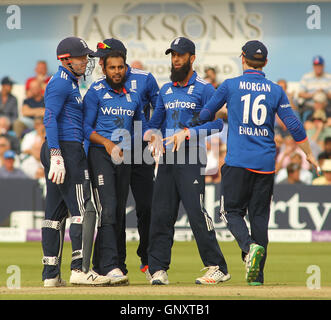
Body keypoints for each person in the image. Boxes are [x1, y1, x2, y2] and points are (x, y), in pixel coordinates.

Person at [198, 40, 319, 286]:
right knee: (260, 219)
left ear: (242, 58)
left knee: (229, 212)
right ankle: (257, 278)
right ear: (265, 62)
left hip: (238, 162)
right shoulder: (275, 90)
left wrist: (224, 113)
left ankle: (248, 248)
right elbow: (294, 126)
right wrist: (308, 153)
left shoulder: (230, 85)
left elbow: (204, 113)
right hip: (265, 164)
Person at [145, 37, 229, 285]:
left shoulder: (204, 89)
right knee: (161, 214)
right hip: (168, 159)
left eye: (180, 55)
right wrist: (152, 136)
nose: (176, 60)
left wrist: (189, 132)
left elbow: (216, 123)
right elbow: (153, 123)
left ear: (192, 58)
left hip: (192, 156)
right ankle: (158, 269)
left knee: (196, 212)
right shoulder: (166, 89)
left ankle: (218, 267)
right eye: (173, 55)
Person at [40, 36, 111, 287]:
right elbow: (49, 118)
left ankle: (50, 276)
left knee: (55, 213)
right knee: (83, 209)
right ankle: (79, 269)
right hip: (66, 149)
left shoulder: (70, 83)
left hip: (61, 148)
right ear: (66, 60)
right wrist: (57, 154)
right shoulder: (61, 84)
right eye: (82, 57)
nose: (86, 61)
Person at [90, 38, 159, 279]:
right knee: (114, 207)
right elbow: (88, 125)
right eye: (105, 62)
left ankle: (149, 261)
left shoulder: (145, 79)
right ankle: (115, 263)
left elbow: (157, 110)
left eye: (104, 57)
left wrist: (151, 133)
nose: (110, 67)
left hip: (139, 149)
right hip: (112, 150)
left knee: (148, 205)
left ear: (122, 59)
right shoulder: (98, 86)